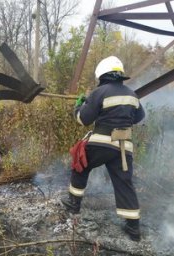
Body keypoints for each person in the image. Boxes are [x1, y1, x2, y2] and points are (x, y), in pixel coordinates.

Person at [61, 56, 145, 241]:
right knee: (124, 182)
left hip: (102, 143)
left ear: (102, 75)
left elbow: (84, 119)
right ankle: (133, 229)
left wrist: (79, 106)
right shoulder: (132, 94)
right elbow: (139, 117)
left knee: (79, 165)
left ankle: (73, 204)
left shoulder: (99, 92)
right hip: (124, 148)